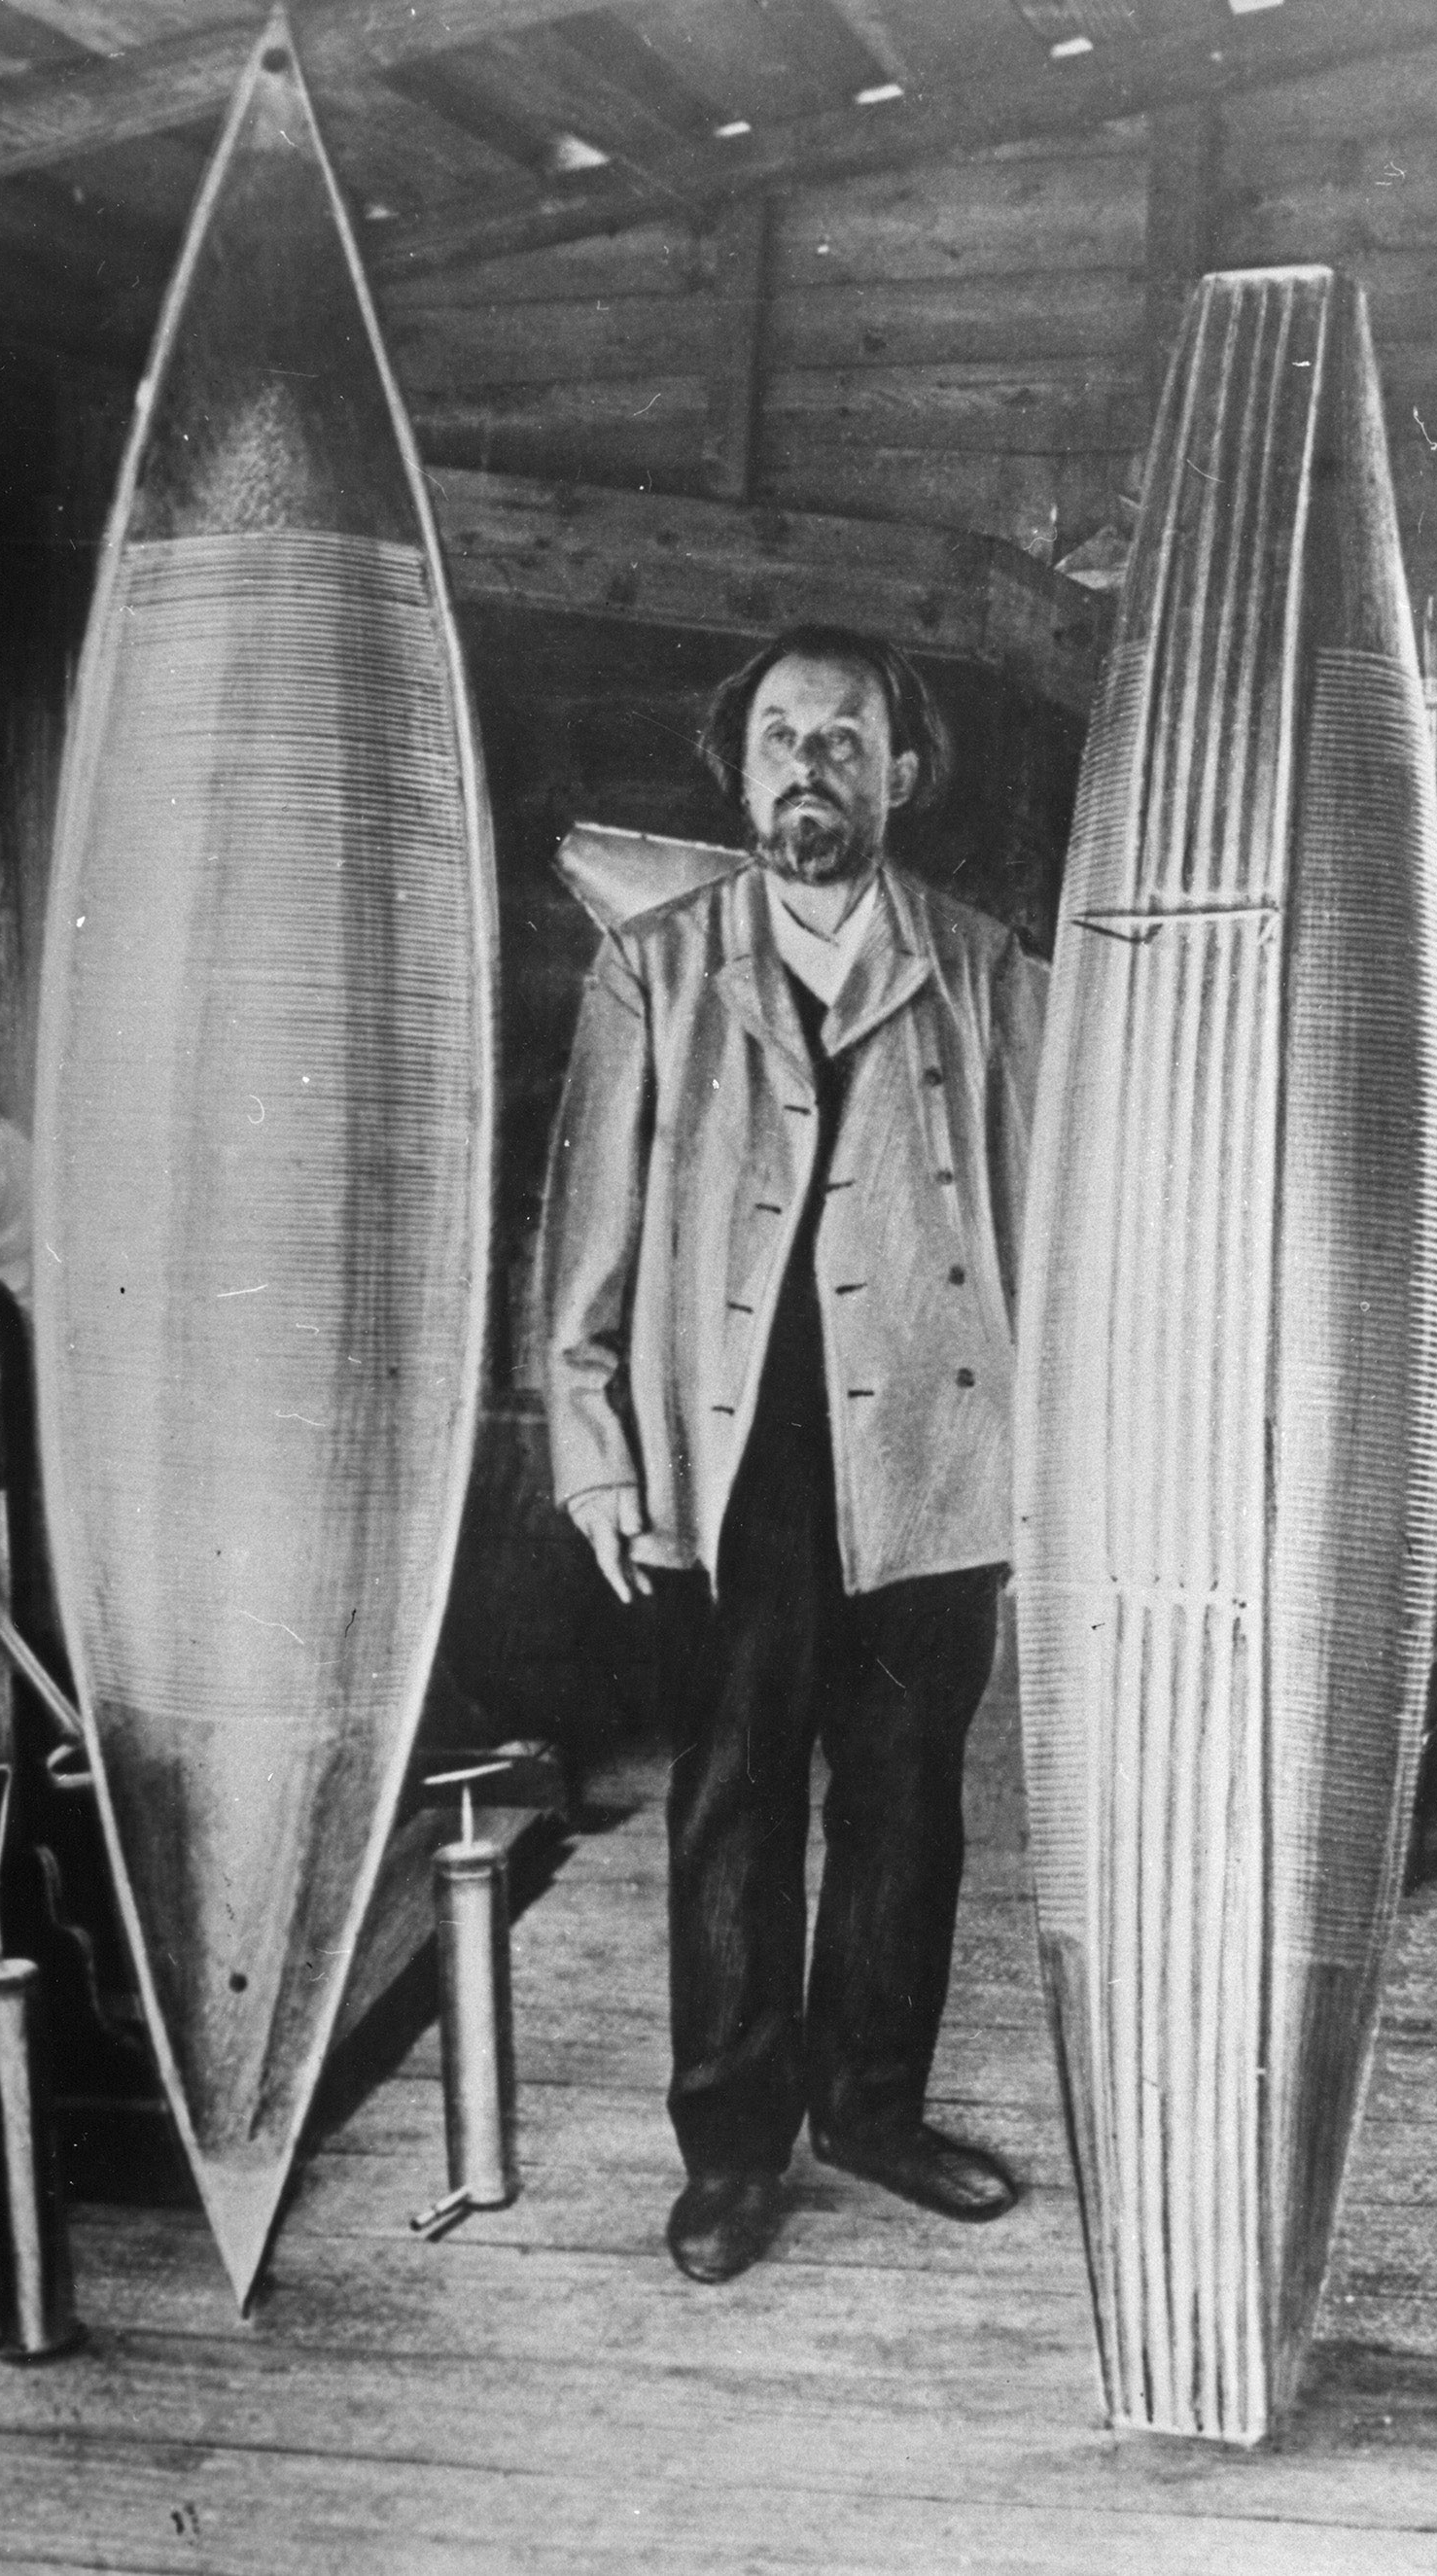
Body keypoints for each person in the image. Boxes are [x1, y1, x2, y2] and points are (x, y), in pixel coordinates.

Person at [539, 623, 1046, 2283]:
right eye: (779, 738)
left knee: (907, 1797)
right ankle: (734, 2147)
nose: (807, 767)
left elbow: (1057, 1220)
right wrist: (596, 1452)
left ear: (902, 774)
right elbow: (586, 1239)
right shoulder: (656, 969)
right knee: (737, 1793)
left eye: (844, 740)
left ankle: (875, 2108)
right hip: (733, 1443)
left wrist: (1060, 1457)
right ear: (737, 768)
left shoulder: (984, 969)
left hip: (939, 1445)